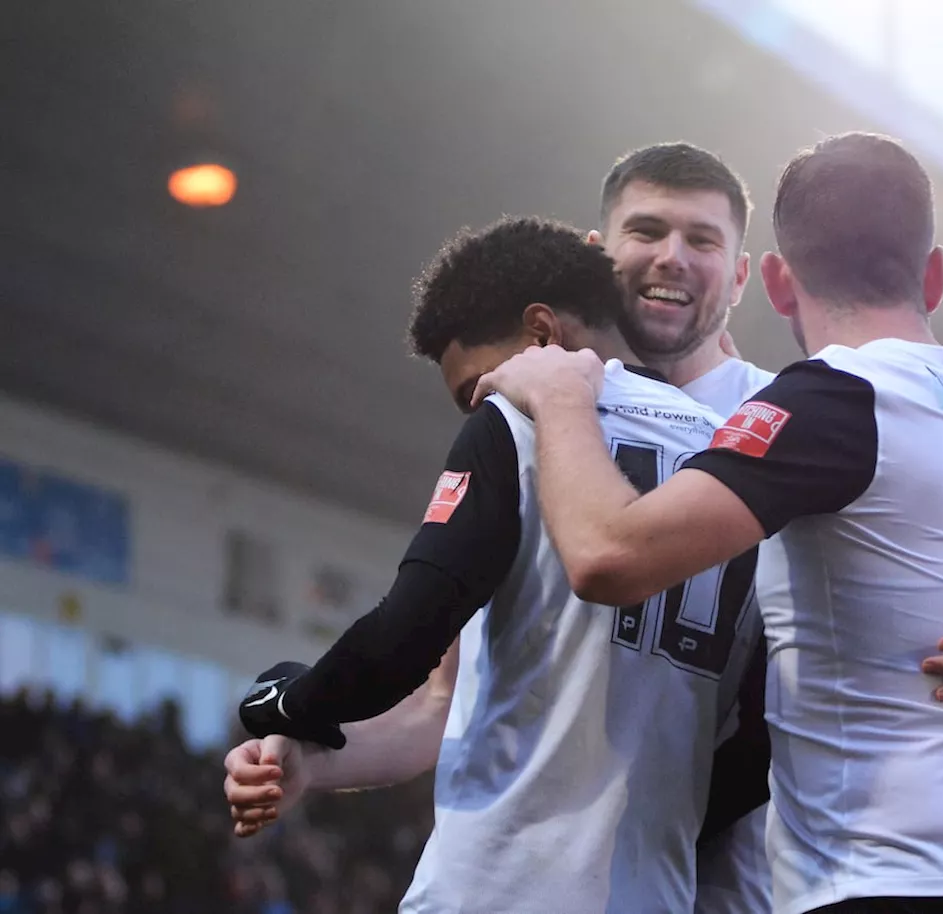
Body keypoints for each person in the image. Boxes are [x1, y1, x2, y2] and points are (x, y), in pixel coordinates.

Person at [226, 142, 943, 912]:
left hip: (733, 887)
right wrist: (315, 762)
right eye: (647, 233)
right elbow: (444, 706)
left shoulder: (787, 418)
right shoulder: (553, 414)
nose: (672, 259)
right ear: (601, 256)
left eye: (703, 241)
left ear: (753, 274)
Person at [473, 132, 943, 914]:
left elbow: (605, 557)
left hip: (870, 888)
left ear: (775, 280)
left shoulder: (832, 401)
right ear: (934, 274)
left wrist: (559, 398)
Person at [234, 216, 765, 914]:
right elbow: (757, 748)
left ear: (541, 335)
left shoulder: (515, 423)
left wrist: (286, 700)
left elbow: (404, 635)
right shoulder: (738, 474)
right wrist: (308, 759)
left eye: (471, 389)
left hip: (492, 888)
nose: (474, 405)